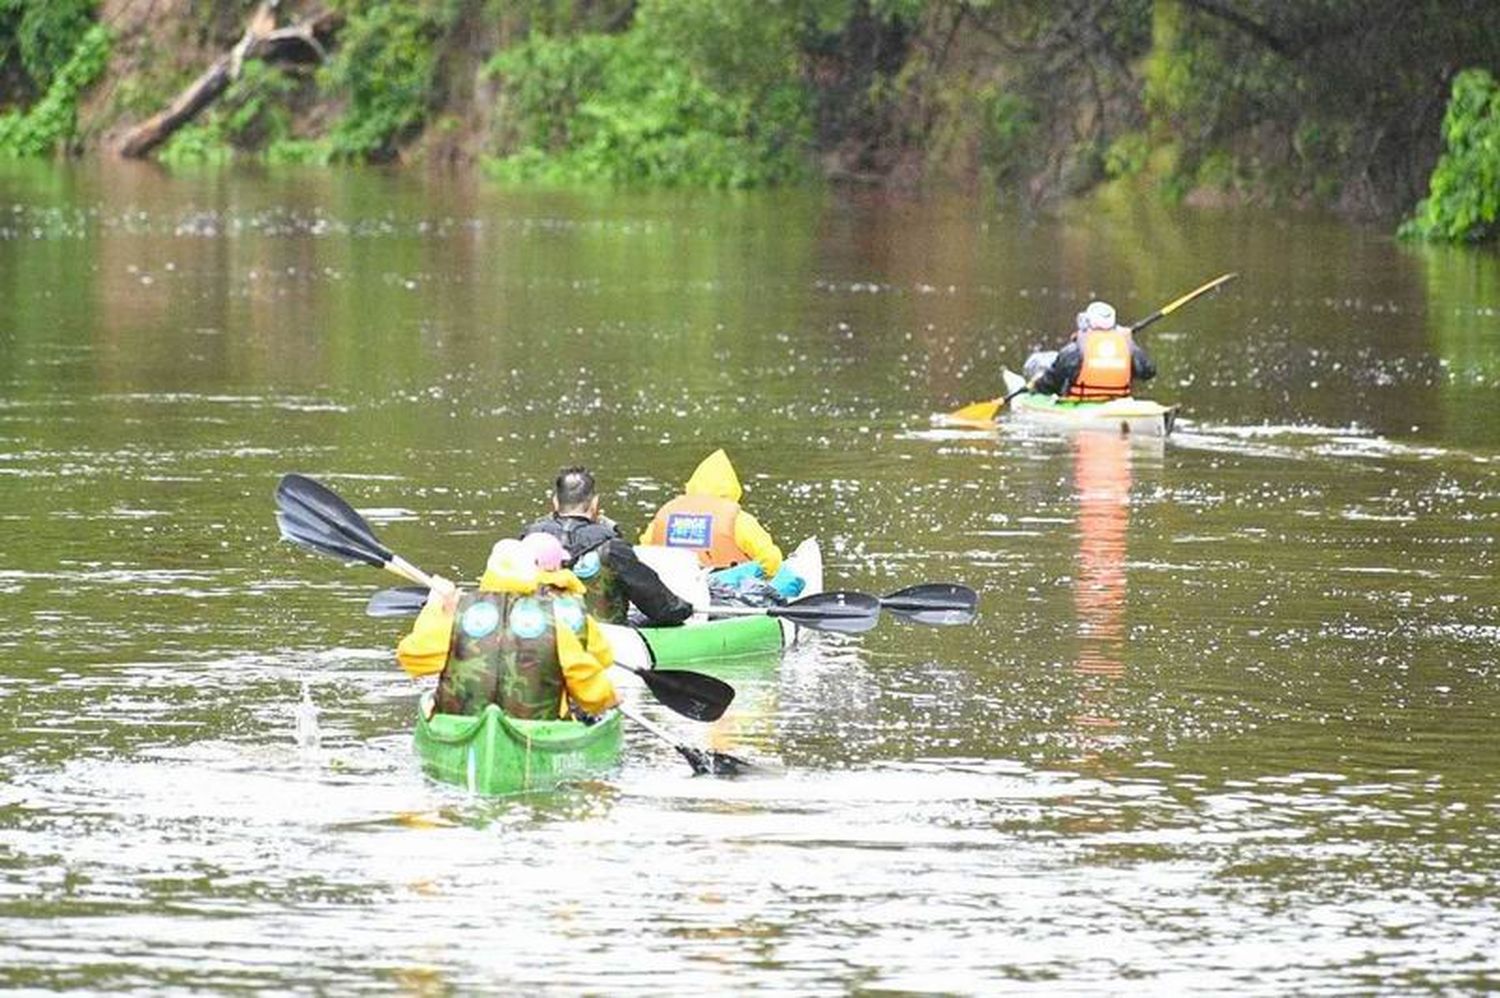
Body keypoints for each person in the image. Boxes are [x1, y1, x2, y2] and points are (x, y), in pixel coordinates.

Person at [395, 534, 617, 720]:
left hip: (463, 723)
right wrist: (608, 700)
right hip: (536, 727)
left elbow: (411, 659)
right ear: (531, 574)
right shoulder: (554, 622)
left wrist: (437, 609)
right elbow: (594, 678)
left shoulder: (459, 616)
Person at [520, 466, 694, 627]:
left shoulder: (528, 539)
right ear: (595, 503)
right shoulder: (612, 547)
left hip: (540, 632)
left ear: (555, 502)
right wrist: (685, 609)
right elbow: (660, 607)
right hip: (604, 634)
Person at [640, 449, 802, 599]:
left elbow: (644, 552)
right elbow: (770, 560)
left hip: (669, 593)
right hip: (725, 597)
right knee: (787, 578)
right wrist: (762, 578)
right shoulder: (738, 520)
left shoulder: (665, 516)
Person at [1028, 300, 1156, 400]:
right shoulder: (1130, 347)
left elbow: (1051, 383)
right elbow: (1148, 372)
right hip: (1117, 402)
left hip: (1082, 403)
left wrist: (1036, 386)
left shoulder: (1073, 350)